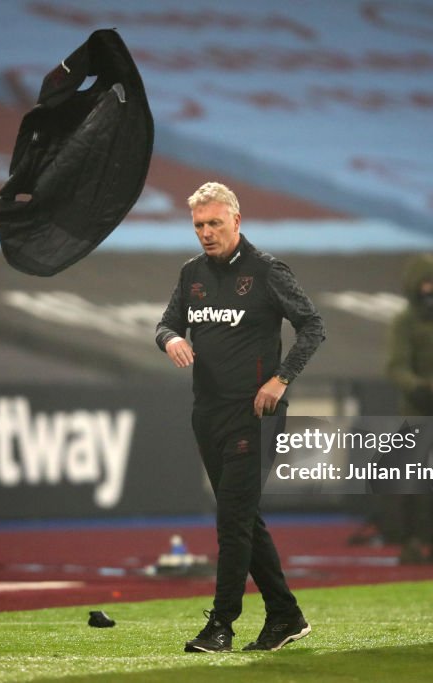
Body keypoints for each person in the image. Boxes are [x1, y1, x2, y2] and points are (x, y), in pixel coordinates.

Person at [155, 182, 325, 653]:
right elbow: (166, 321)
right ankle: (286, 616)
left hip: (256, 412)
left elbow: (312, 325)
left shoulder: (268, 271)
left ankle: (221, 625)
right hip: (207, 412)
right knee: (243, 517)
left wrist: (281, 379)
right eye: (198, 226)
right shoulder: (191, 273)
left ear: (236, 220)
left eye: (214, 223)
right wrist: (170, 338)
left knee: (232, 519)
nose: (206, 233)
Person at [382, 254, 433, 564]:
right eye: (426, 282)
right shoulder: (405, 321)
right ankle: (412, 542)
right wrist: (422, 387)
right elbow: (396, 367)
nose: (431, 289)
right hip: (418, 411)